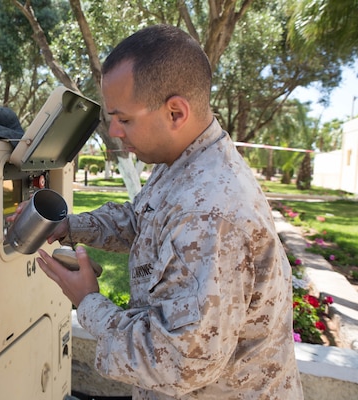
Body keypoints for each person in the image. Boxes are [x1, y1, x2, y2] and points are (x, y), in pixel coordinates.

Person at [15, 24, 303, 399]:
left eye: (124, 118)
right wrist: (70, 225)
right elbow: (142, 219)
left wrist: (87, 301)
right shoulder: (184, 160)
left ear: (175, 112)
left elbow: (179, 363)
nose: (114, 131)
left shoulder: (212, 213)